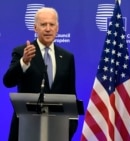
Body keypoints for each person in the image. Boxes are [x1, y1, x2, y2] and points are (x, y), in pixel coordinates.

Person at [3, 7, 78, 141]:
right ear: (35, 28)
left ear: (57, 28)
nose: (48, 29)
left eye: (52, 24)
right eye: (43, 25)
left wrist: (70, 128)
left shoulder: (67, 57)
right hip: (25, 130)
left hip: (57, 131)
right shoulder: (22, 52)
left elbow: (71, 95)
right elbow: (8, 81)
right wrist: (24, 62)